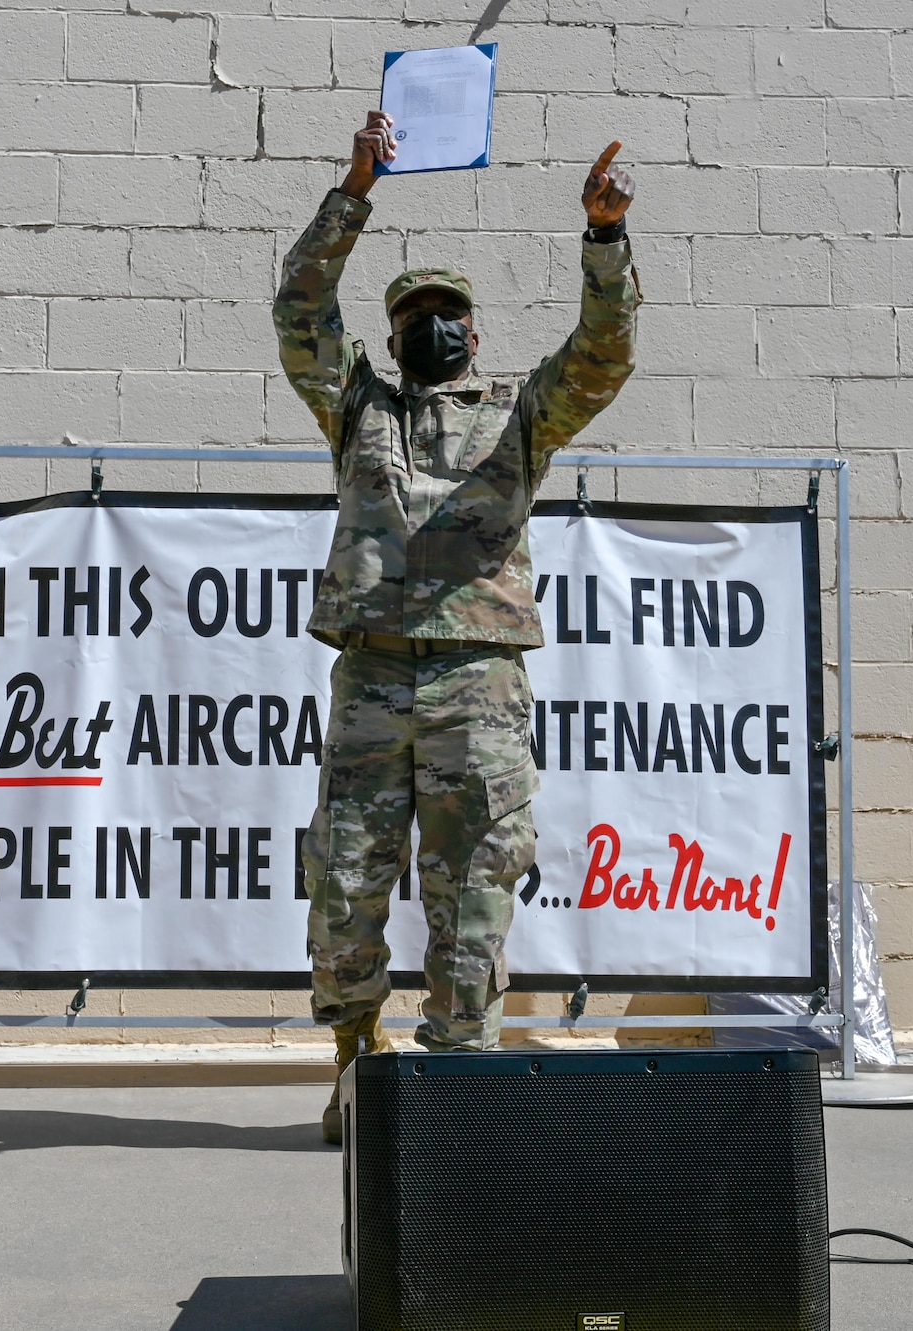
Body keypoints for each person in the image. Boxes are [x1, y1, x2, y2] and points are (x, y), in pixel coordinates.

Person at [275, 112, 641, 1143]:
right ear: (392, 336)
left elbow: (602, 357)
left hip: (477, 683)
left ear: (473, 332)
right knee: (345, 877)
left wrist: (602, 238)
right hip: (376, 676)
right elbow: (298, 307)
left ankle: (458, 1073)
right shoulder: (359, 410)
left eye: (446, 314)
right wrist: (353, 190)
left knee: (474, 881)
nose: (429, 327)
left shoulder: (519, 413)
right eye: (412, 316)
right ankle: (355, 1060)